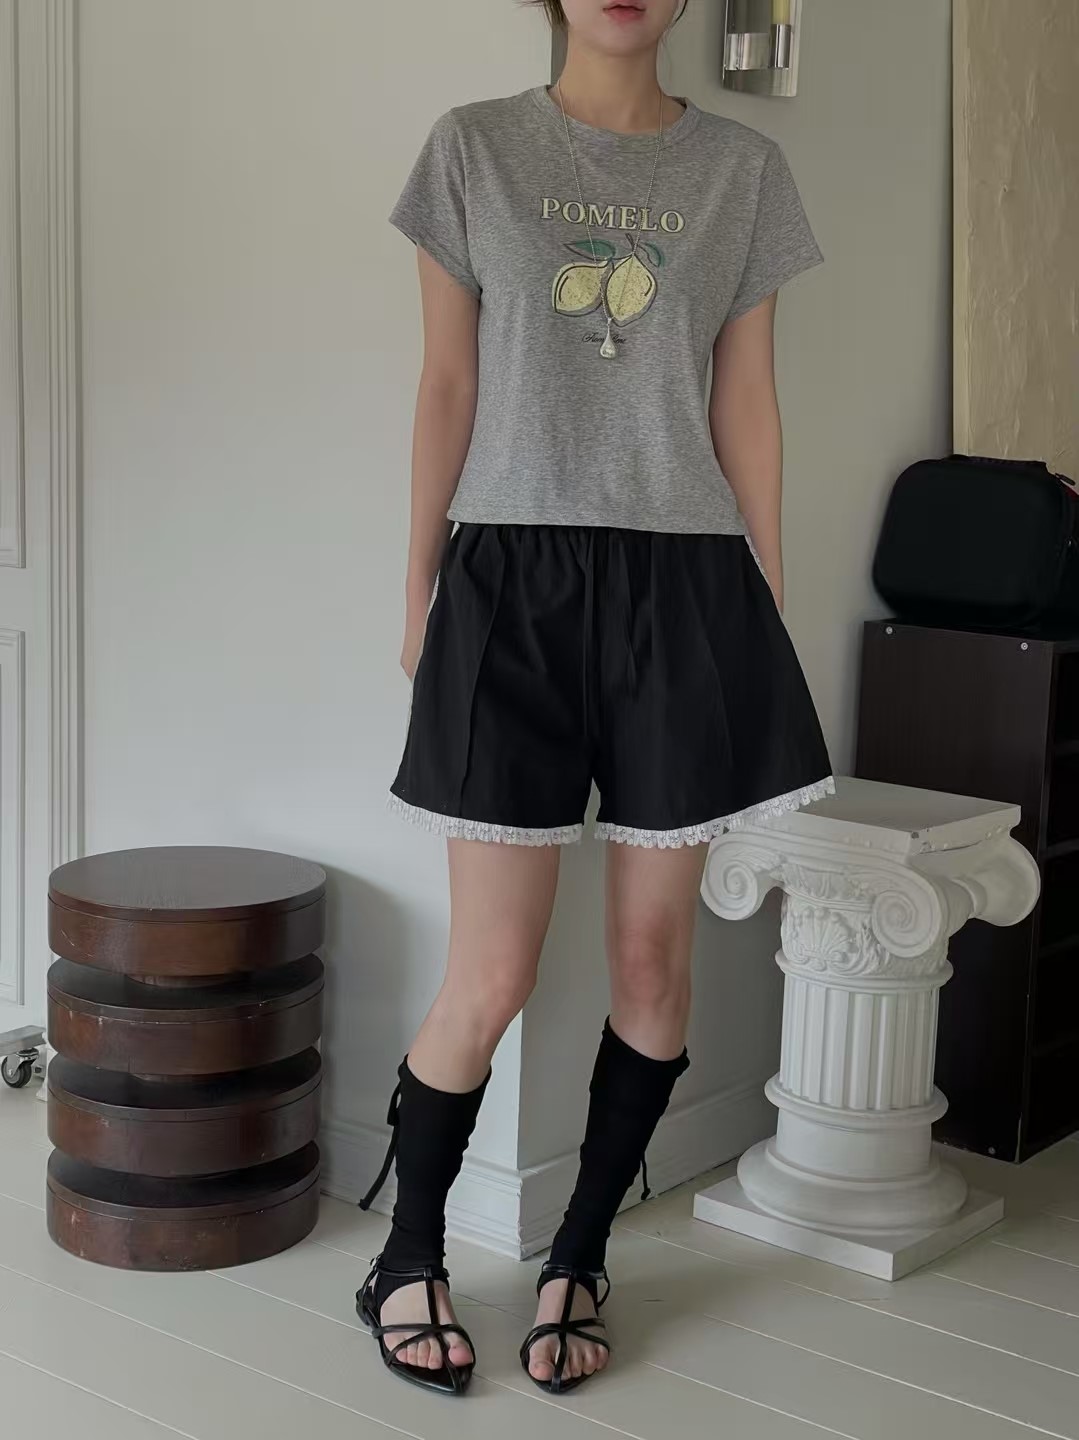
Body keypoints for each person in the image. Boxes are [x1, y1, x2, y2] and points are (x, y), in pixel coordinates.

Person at [356, 0, 833, 1399]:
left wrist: (765, 596)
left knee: (650, 965)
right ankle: (407, 1255)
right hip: (509, 576)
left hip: (686, 586)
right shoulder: (472, 150)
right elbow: (448, 381)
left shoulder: (742, 171)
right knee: (492, 972)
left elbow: (748, 398)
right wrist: (417, 588)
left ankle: (579, 1255)